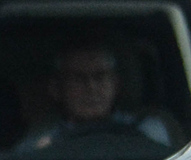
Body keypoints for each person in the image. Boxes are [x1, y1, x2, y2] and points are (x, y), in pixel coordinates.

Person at [20, 43, 173, 151]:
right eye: (79, 79)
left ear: (115, 85)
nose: (91, 88)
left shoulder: (148, 131)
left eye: (100, 77)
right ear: (57, 89)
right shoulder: (39, 142)